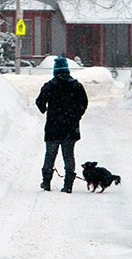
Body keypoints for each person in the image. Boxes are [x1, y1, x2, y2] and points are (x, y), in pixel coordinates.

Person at [36, 56, 88, 193]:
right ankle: (68, 185)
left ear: (55, 71)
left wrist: (44, 109)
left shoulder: (49, 85)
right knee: (69, 155)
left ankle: (46, 182)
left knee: (50, 155)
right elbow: (84, 103)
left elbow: (39, 102)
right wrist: (76, 116)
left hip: (53, 127)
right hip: (71, 128)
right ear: (67, 70)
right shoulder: (76, 85)